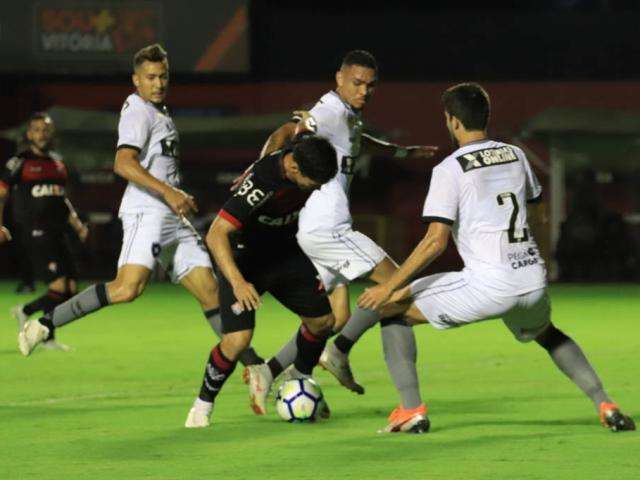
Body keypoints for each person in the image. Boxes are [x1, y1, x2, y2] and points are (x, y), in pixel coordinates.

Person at [356, 82, 635, 433]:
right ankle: (605, 403)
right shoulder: (515, 155)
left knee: (393, 310)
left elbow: (434, 242)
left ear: (453, 121)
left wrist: (389, 287)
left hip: (489, 284)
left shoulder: (450, 169)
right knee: (548, 334)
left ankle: (411, 410)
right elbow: (539, 212)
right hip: (532, 278)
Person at [17, 44, 262, 367]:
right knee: (126, 289)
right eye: (150, 77)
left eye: (163, 76)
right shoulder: (138, 110)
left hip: (171, 217)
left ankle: (255, 367)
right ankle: (42, 324)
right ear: (136, 80)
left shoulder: (159, 112)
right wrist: (170, 193)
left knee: (210, 293)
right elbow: (123, 162)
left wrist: (175, 194)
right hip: (147, 211)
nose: (158, 83)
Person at [243, 50, 437, 430]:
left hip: (317, 231)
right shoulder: (328, 110)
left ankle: (268, 371)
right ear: (339, 79)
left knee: (335, 316)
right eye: (357, 83)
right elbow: (288, 132)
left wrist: (402, 152)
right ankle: (340, 352)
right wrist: (258, 174)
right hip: (328, 229)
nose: (364, 91)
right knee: (399, 287)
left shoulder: (348, 116)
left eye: (370, 85)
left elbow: (360, 140)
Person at [184, 135, 339, 428]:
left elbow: (288, 128)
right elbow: (216, 234)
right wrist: (238, 282)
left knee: (323, 322)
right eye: (314, 181)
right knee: (237, 340)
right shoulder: (261, 185)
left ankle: (299, 380)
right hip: (245, 260)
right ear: (293, 169)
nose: (318, 187)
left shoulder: (302, 150)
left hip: (285, 253)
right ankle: (201, 407)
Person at [0, 112, 87, 350]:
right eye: (36, 129)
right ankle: (38, 326)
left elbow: (61, 199)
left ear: (51, 134)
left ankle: (35, 322)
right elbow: (1, 193)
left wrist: (77, 223)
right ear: (29, 134)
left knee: (70, 290)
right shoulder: (20, 162)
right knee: (59, 286)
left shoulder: (58, 164)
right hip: (35, 232)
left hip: (58, 231)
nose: (41, 134)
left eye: (45, 129)